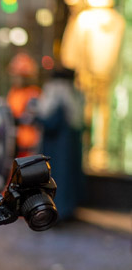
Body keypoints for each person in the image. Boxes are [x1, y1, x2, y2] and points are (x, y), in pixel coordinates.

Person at [31, 65, 85, 221]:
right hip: (69, 152)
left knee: (56, 181)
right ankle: (67, 211)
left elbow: (50, 124)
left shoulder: (59, 102)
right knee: (67, 182)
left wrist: (36, 116)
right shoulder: (75, 101)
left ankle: (57, 213)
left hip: (57, 152)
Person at [6, 52, 41, 157]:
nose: (16, 78)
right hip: (13, 142)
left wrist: (14, 119)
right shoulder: (13, 92)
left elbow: (30, 118)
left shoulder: (33, 93)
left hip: (27, 144)